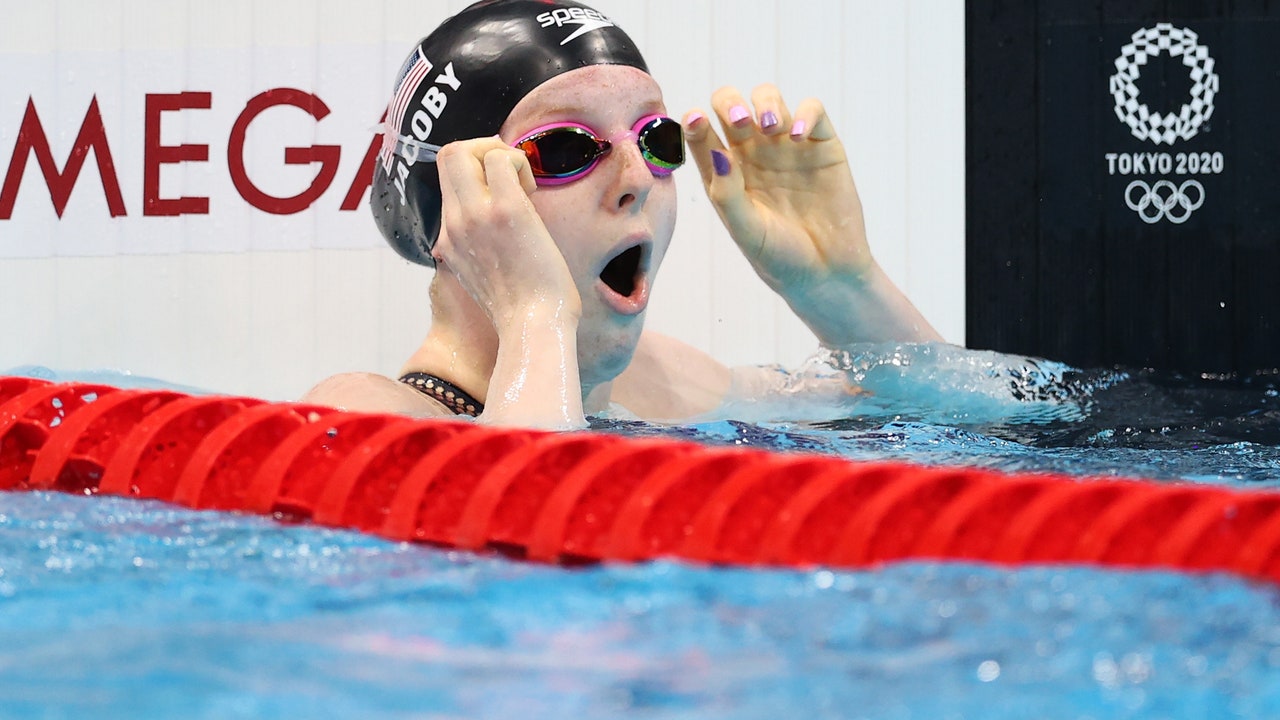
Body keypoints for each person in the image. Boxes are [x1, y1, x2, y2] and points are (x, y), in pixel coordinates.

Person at [304, 0, 942, 429]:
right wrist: (536, 316)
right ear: (454, 208)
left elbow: (951, 430)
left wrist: (839, 288)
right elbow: (528, 581)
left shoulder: (659, 384)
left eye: (655, 136)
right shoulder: (357, 420)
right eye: (565, 148)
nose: (637, 177)